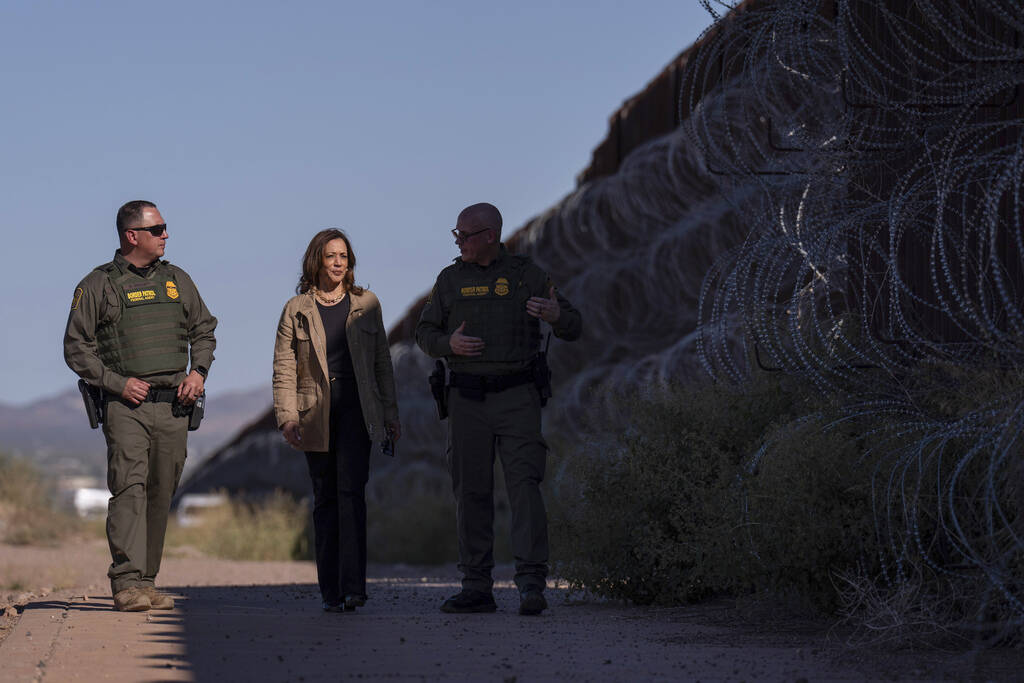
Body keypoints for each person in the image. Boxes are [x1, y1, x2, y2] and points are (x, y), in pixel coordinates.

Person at [415, 202, 582, 616]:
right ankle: (476, 587)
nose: (458, 243)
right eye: (456, 236)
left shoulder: (527, 276)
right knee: (470, 492)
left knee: (524, 488)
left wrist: (556, 314)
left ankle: (530, 585)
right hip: (466, 399)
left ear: (490, 235)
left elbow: (574, 324)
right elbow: (424, 332)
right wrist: (447, 345)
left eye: (464, 235)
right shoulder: (450, 279)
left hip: (517, 397)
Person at [64, 200, 217, 612]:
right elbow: (76, 348)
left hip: (175, 407)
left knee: (160, 491)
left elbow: (205, 330)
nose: (166, 234)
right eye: (158, 228)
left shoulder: (177, 280)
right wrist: (116, 382)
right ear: (133, 236)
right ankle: (126, 582)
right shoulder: (98, 285)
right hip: (126, 407)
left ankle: (147, 582)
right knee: (129, 488)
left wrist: (198, 372)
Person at [273, 228, 400, 613]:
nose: (338, 262)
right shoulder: (296, 309)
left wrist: (390, 415)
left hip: (358, 411)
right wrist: (286, 417)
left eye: (344, 256)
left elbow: (382, 364)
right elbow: (284, 369)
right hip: (315, 415)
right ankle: (330, 591)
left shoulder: (367, 304)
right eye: (331, 256)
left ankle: (354, 589)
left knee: (352, 496)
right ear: (317, 261)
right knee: (325, 500)